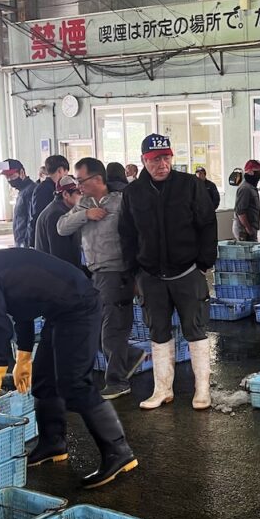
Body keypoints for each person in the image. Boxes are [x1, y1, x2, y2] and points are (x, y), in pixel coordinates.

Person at [0, 232, 137, 489]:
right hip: (61, 312)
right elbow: (20, 309)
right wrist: (23, 356)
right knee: (45, 380)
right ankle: (52, 443)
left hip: (79, 307)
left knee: (75, 384)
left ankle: (118, 451)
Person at [120, 134, 217, 410]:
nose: (161, 164)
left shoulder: (191, 186)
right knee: (157, 331)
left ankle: (202, 391)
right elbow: (126, 235)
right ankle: (162, 389)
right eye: (154, 159)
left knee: (195, 331)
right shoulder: (132, 193)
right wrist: (134, 272)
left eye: (166, 158)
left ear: (172, 158)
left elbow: (208, 224)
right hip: (150, 276)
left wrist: (203, 263)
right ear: (143, 161)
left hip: (188, 272)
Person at [58, 158, 147, 400]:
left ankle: (117, 381)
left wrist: (137, 275)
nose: (79, 185)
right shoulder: (84, 204)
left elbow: (138, 236)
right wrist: (87, 214)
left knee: (113, 329)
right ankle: (129, 356)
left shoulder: (121, 202)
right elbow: (62, 227)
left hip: (118, 273)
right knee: (94, 326)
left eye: (81, 180)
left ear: (98, 179)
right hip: (95, 273)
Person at [34, 175, 84, 271]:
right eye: (79, 193)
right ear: (65, 194)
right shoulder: (57, 215)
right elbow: (61, 255)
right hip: (56, 276)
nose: (82, 197)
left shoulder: (57, 209)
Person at [29, 155, 70, 243]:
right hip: (44, 237)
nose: (66, 176)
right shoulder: (43, 189)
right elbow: (38, 215)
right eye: (66, 173)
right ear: (60, 170)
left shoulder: (54, 187)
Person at [0, 158, 37, 248]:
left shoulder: (30, 191)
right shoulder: (22, 191)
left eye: (12, 176)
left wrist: (25, 244)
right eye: (7, 177)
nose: (9, 180)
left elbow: (31, 220)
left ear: (22, 172)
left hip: (25, 244)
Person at [233, 160, 260, 242]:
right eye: (258, 171)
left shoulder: (250, 186)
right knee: (246, 254)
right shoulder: (245, 188)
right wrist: (248, 228)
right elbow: (241, 211)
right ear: (250, 171)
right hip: (244, 230)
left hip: (248, 228)